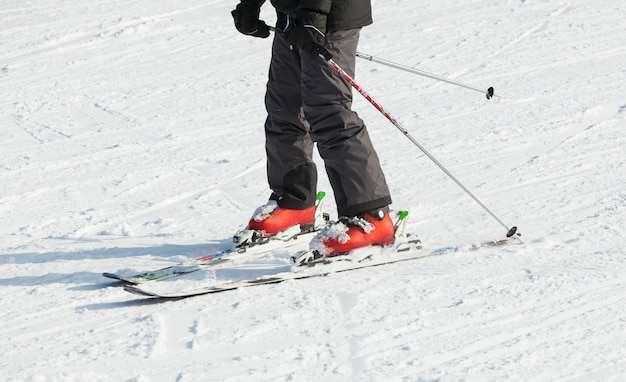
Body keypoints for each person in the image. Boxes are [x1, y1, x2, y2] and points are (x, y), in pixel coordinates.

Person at [231, 0, 394, 256]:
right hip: (293, 14)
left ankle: (372, 216)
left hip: (330, 17)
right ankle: (295, 202)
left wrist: (314, 15)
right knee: (284, 109)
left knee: (329, 111)